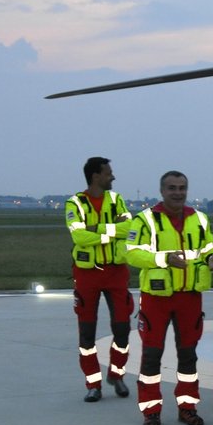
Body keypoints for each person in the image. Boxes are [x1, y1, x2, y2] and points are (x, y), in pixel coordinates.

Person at [128, 171, 213, 425]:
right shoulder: (145, 220)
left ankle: (187, 407)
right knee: (151, 355)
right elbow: (133, 254)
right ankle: (151, 410)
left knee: (188, 356)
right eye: (172, 188)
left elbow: (208, 247)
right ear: (162, 191)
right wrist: (163, 259)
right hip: (156, 298)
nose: (178, 193)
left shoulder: (199, 219)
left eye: (182, 188)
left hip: (189, 297)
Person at [65, 157, 134, 402]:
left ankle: (117, 373)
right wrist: (110, 230)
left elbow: (128, 228)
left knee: (123, 329)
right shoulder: (75, 203)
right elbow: (79, 237)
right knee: (86, 333)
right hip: (87, 274)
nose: (113, 177)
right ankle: (93, 383)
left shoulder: (117, 200)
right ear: (96, 176)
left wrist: (96, 229)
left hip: (116, 272)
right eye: (109, 173)